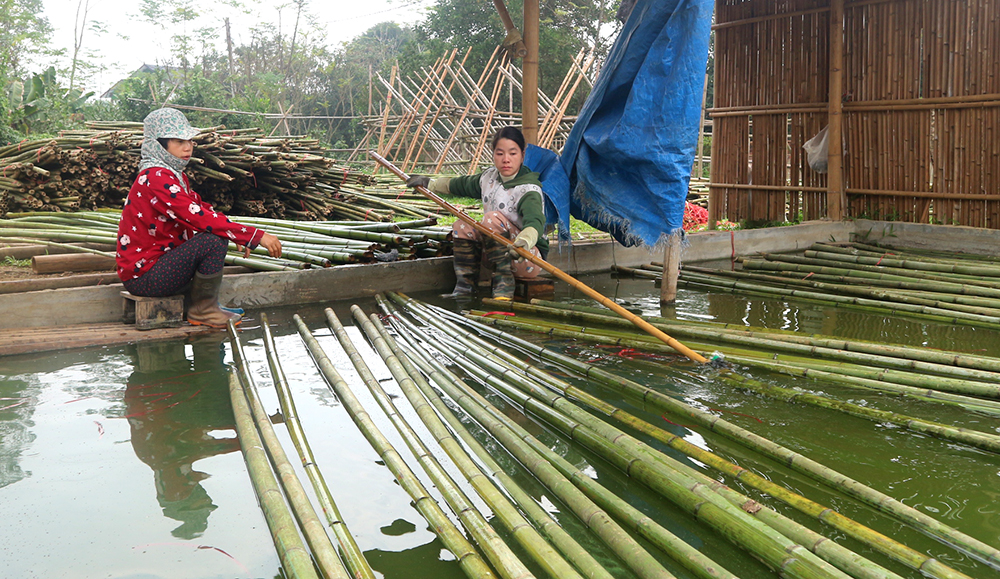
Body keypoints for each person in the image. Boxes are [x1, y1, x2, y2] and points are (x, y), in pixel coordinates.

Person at [116, 107, 282, 328]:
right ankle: (204, 310)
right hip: (145, 277)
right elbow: (197, 217)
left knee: (214, 235)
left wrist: (239, 234)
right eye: (178, 141)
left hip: (157, 269)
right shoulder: (155, 177)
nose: (187, 147)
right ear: (159, 145)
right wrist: (253, 235)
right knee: (212, 240)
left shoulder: (173, 175)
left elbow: (201, 208)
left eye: (190, 141)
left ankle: (209, 306)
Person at [406, 126, 547, 298]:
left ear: (522, 155)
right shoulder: (488, 178)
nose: (506, 159)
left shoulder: (529, 189)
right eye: (500, 153)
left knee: (491, 219)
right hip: (493, 256)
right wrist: (429, 184)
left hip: (525, 259)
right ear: (493, 154)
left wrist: (524, 241)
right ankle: (465, 287)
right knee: (462, 225)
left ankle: (504, 285)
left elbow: (536, 222)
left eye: (512, 153)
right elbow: (460, 184)